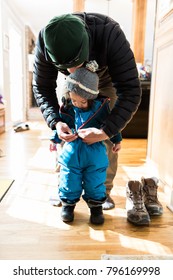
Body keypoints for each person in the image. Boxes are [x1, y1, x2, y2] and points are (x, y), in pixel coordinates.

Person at [33, 13, 142, 210]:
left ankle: (102, 192)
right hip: (72, 85)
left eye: (76, 63)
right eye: (65, 66)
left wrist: (106, 132)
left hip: (106, 80)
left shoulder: (110, 33)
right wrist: (55, 122)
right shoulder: (44, 40)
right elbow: (41, 87)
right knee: (65, 133)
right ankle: (65, 189)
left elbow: (131, 90)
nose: (72, 69)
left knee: (104, 136)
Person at [52, 61, 122, 224]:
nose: (78, 104)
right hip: (72, 153)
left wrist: (117, 140)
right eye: (74, 100)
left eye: (82, 102)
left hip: (94, 153)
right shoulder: (68, 106)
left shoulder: (101, 108)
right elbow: (61, 124)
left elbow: (112, 125)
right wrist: (55, 138)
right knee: (69, 178)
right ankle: (68, 205)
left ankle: (96, 207)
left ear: (92, 97)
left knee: (96, 180)